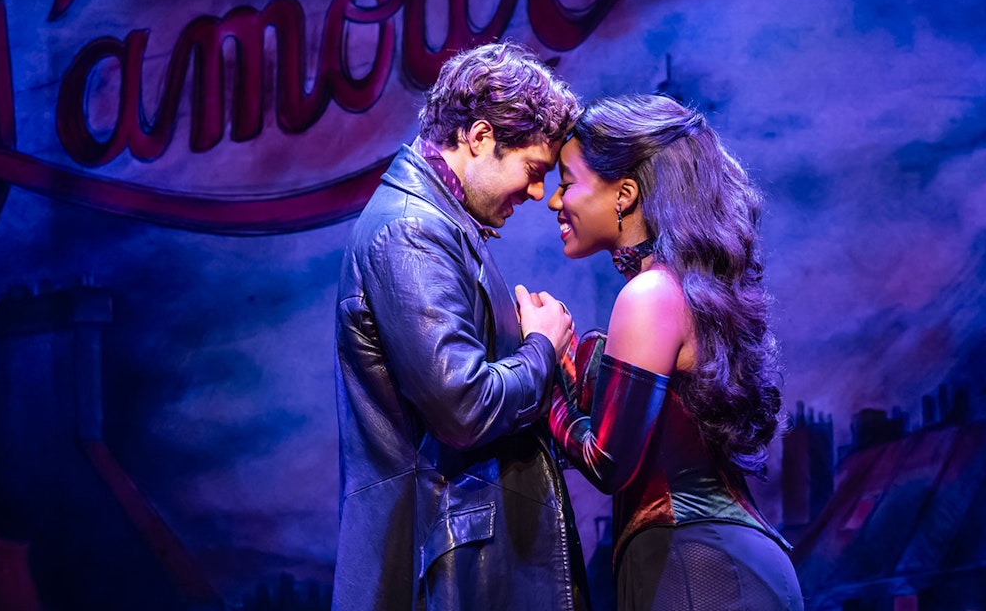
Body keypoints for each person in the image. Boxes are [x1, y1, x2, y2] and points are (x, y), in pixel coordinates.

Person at [333, 42, 590, 610]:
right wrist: (540, 347)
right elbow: (464, 407)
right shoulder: (410, 231)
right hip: (440, 568)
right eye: (533, 171)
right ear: (479, 137)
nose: (538, 193)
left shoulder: (441, 224)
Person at [546, 94, 803, 609]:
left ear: (624, 194)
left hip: (697, 563)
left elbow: (607, 463)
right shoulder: (681, 290)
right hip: (718, 559)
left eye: (567, 182)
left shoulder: (651, 294)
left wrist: (547, 367)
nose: (554, 201)